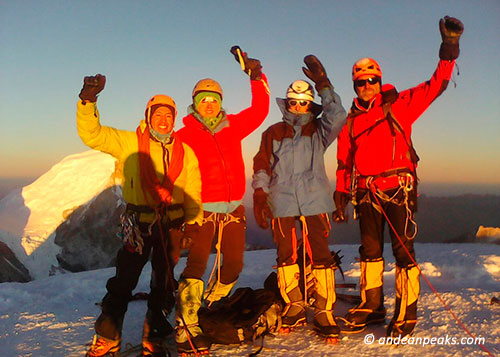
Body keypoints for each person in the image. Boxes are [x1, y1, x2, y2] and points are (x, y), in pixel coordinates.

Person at [333, 16, 464, 338]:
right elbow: (343, 160)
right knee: (370, 251)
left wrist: (449, 49)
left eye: (371, 81)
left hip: (397, 191)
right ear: (355, 86)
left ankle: (407, 311)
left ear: (379, 80)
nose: (366, 87)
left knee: (404, 252)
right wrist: (340, 193)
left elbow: (437, 85)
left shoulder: (401, 104)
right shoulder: (349, 121)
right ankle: (372, 305)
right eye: (360, 83)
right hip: (365, 193)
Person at [77, 75, 203, 357]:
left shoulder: (186, 152)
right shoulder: (128, 142)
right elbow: (93, 134)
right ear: (148, 117)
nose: (163, 120)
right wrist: (88, 101)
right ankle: (109, 335)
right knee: (124, 281)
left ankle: (155, 333)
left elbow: (193, 188)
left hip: (171, 224)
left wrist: (194, 222)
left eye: (168, 115)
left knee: (164, 283)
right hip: (139, 224)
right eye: (157, 114)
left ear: (174, 120)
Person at [173, 46, 270, 354]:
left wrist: (256, 76)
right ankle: (186, 323)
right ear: (196, 105)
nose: (210, 105)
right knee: (197, 264)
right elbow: (172, 168)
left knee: (234, 265)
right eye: (204, 101)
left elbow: (261, 110)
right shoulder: (184, 135)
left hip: (232, 210)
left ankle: (211, 303)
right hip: (201, 211)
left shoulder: (233, 127)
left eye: (214, 100)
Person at [252, 55, 346, 337]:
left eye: (304, 102)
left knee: (320, 254)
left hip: (315, 199)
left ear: (310, 105)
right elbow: (262, 164)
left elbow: (339, 116)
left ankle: (323, 310)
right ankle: (293, 304)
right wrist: (259, 193)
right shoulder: (273, 132)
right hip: (281, 200)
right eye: (294, 102)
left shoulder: (319, 130)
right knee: (285, 254)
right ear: (287, 103)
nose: (298, 107)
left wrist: (324, 85)